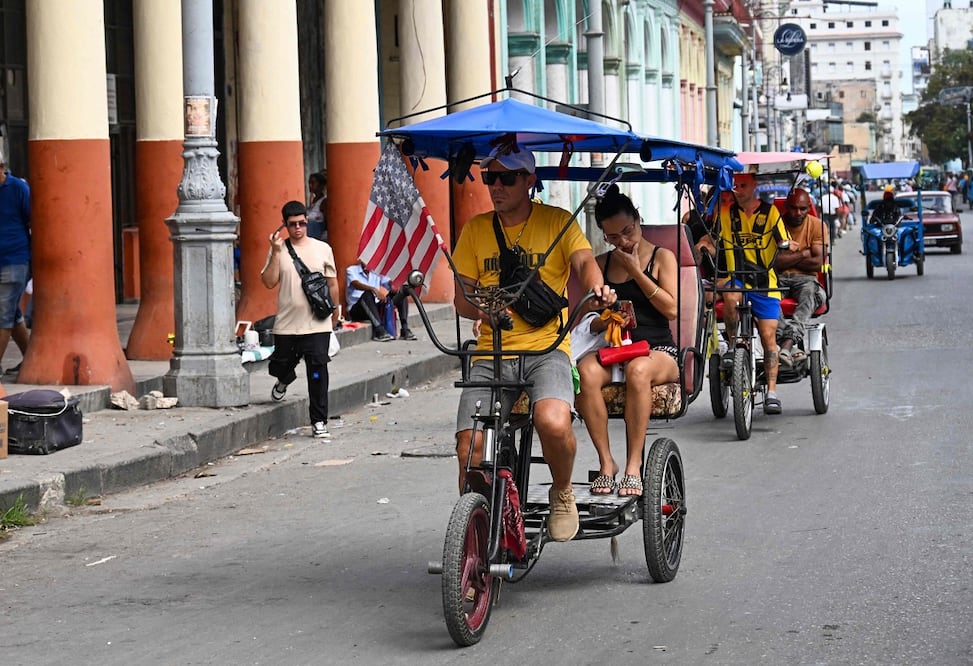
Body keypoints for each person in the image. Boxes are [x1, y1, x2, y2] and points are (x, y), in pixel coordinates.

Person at [451, 143, 615, 542]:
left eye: (507, 178)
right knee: (469, 447)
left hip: (546, 350)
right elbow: (461, 299)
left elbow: (583, 261)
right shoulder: (475, 230)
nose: (496, 186)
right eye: (490, 178)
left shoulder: (557, 221)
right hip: (493, 352)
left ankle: (561, 490)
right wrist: (483, 313)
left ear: (529, 181)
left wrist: (597, 287)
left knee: (553, 421)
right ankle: (476, 529)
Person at [574, 185, 679, 496]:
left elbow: (671, 309)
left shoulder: (662, 257)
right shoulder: (602, 264)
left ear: (638, 219)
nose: (623, 241)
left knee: (638, 370)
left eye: (628, 231)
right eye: (613, 237)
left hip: (657, 350)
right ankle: (607, 462)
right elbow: (588, 322)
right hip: (615, 348)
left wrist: (636, 272)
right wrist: (600, 317)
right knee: (585, 371)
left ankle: (634, 465)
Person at [261, 200, 339, 439]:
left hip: (317, 322)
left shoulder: (322, 248)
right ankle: (283, 381)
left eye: (302, 223)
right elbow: (268, 282)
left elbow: (332, 282)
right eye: (293, 224)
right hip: (286, 324)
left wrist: (336, 311)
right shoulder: (279, 249)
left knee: (317, 372)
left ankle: (319, 421)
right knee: (281, 365)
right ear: (285, 225)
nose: (298, 228)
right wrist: (275, 252)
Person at [715, 171, 791, 415]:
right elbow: (712, 236)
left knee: (769, 337)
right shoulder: (726, 213)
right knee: (730, 295)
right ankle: (732, 344)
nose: (739, 190)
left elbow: (784, 241)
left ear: (755, 185)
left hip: (765, 282)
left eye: (743, 185)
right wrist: (704, 243)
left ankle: (771, 392)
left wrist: (786, 245)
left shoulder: (770, 213)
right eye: (735, 185)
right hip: (738, 278)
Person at [774, 189, 829, 367]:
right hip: (778, 278)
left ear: (808, 208)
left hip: (806, 279)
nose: (798, 213)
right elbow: (774, 263)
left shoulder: (817, 225)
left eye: (803, 209)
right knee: (765, 298)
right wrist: (804, 253)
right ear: (786, 207)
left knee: (809, 293)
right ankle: (789, 344)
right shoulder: (776, 225)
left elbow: (817, 263)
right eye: (793, 208)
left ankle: (787, 343)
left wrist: (789, 258)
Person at [0, 149, 31, 375]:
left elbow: (32, 221)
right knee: (13, 313)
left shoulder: (18, 188)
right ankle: (30, 358)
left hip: (14, 258)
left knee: (2, 314)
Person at [345, 259, 416, 341]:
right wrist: (373, 289)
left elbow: (387, 282)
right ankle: (379, 330)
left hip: (374, 307)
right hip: (357, 309)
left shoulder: (376, 271)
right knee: (367, 294)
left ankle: (405, 328)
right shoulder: (351, 270)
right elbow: (356, 284)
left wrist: (393, 285)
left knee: (401, 294)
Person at [306, 171, 327, 241]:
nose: (310, 185)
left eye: (313, 183)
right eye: (309, 183)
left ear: (320, 185)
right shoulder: (313, 201)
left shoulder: (324, 202)